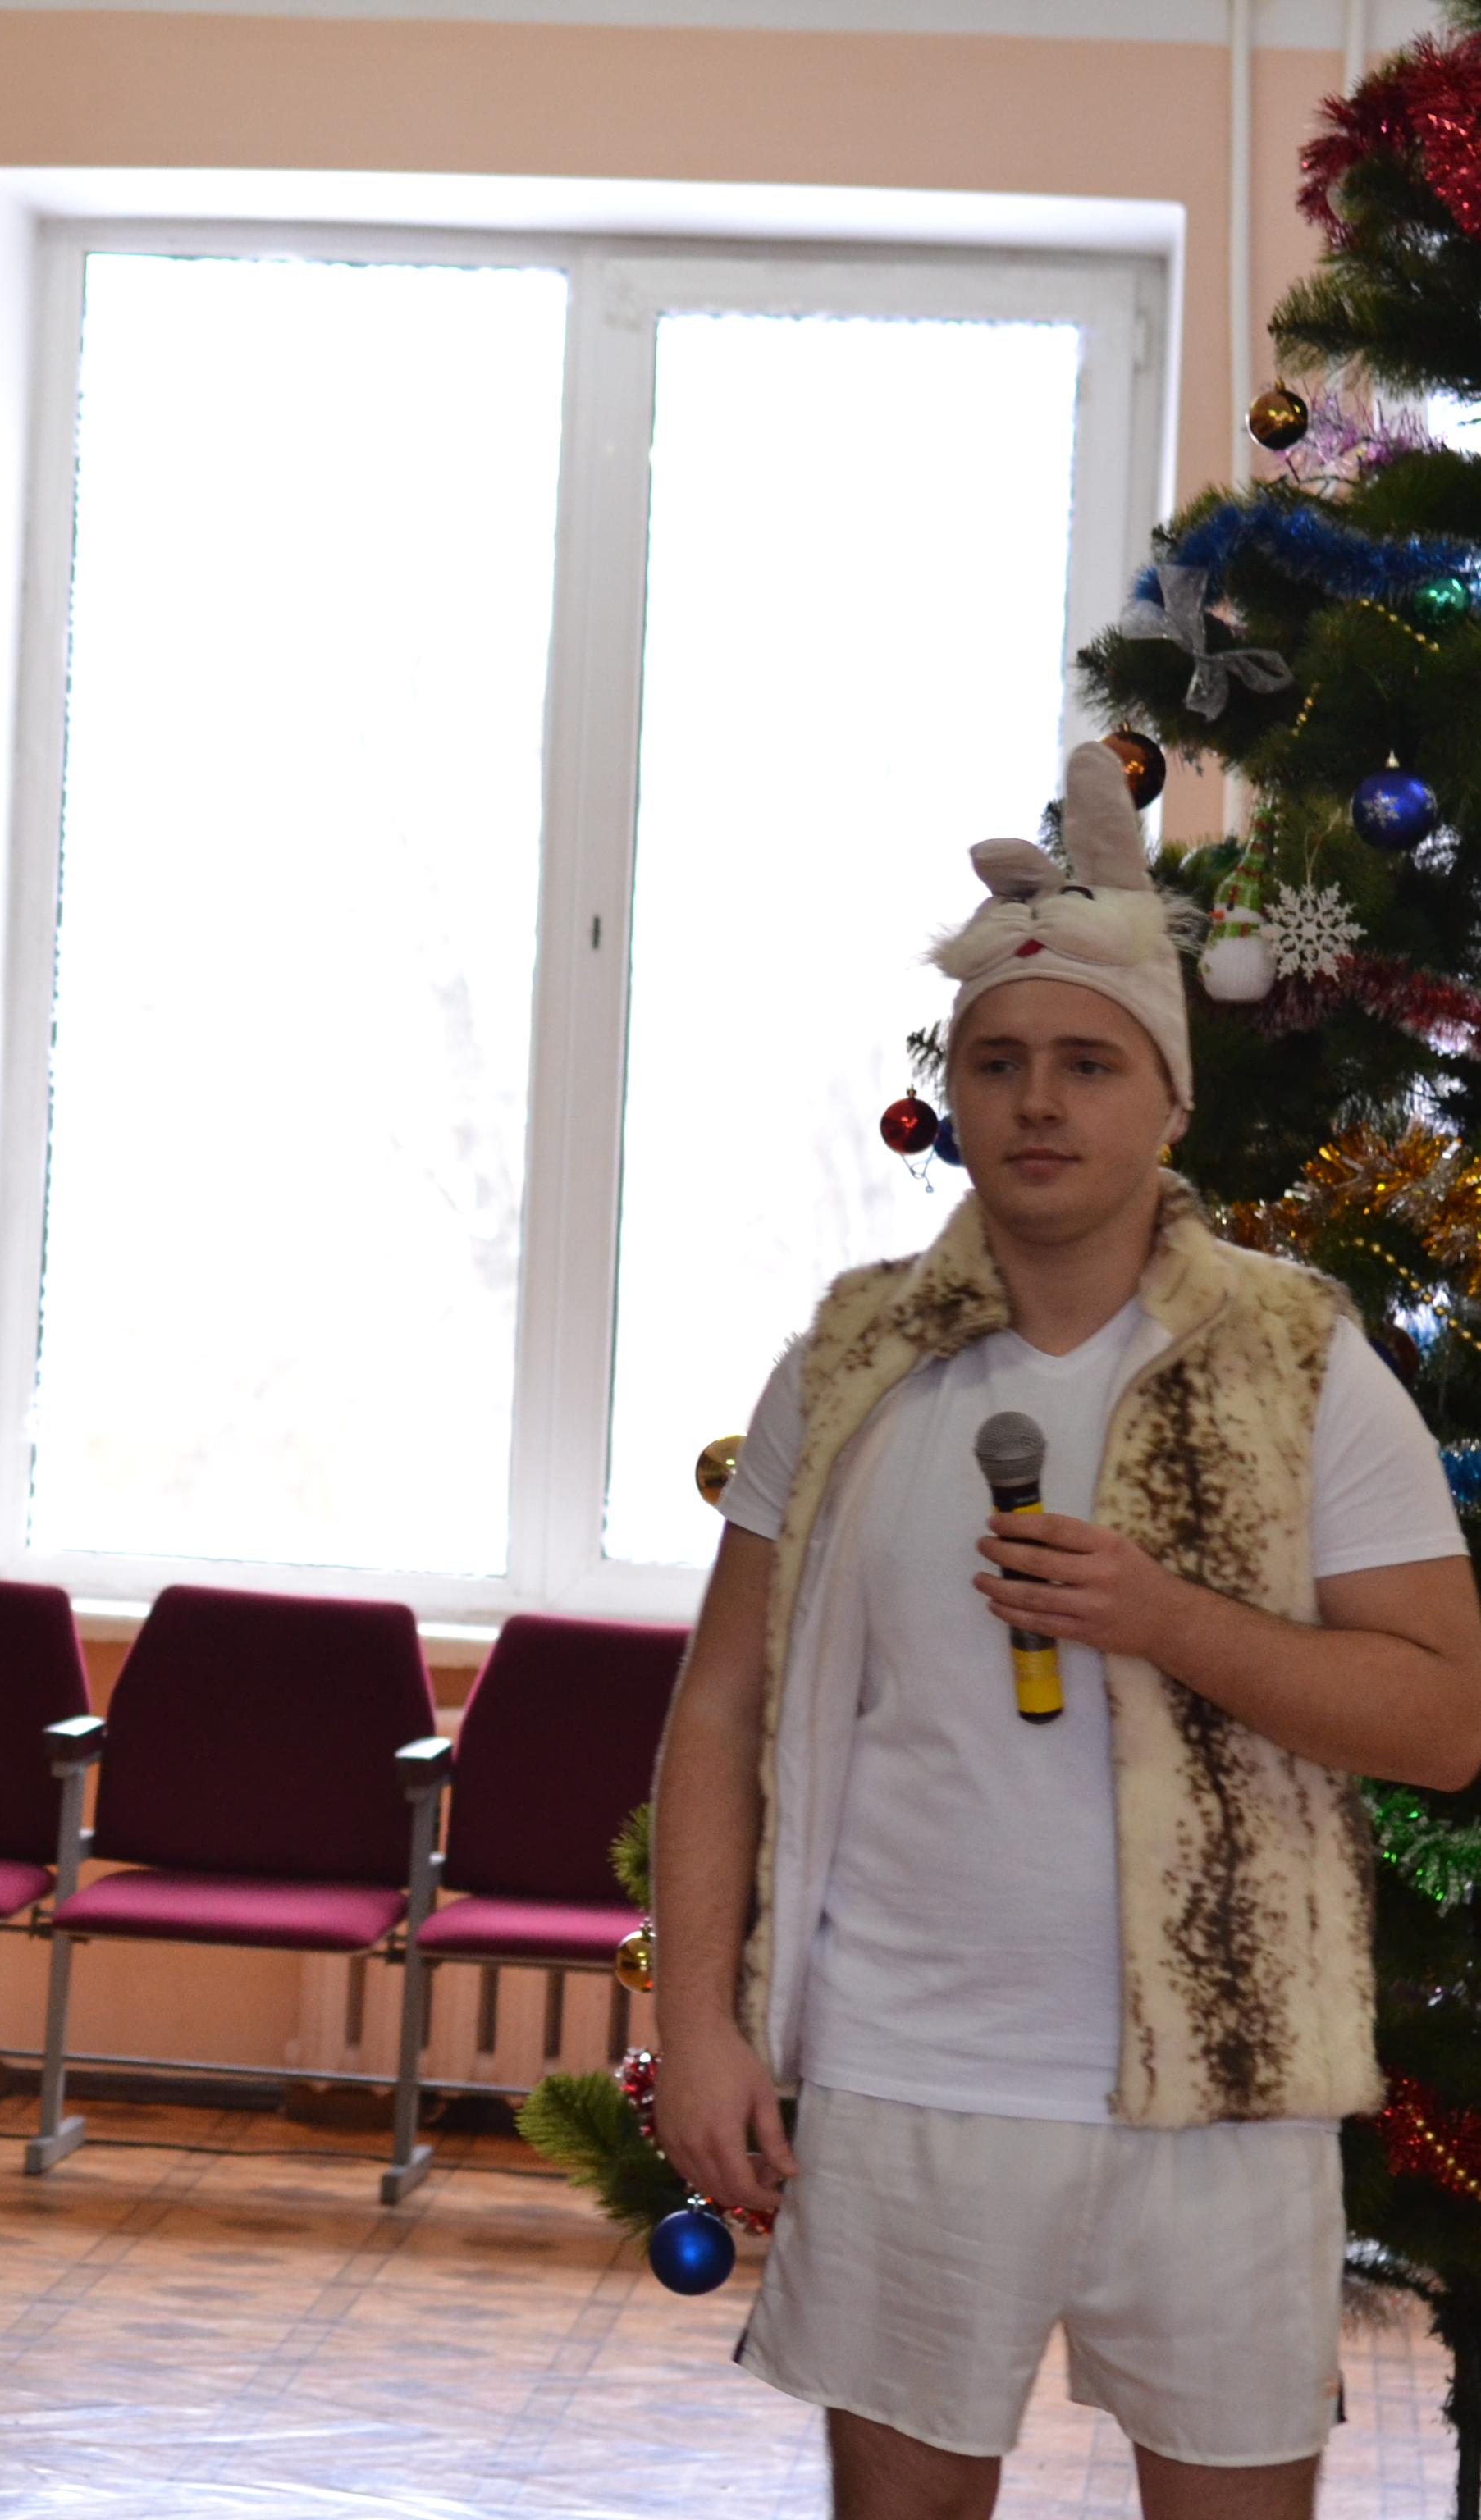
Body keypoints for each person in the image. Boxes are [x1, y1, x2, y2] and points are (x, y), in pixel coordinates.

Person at [654, 740, 1481, 2519]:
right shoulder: (848, 1365)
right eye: (997, 1061)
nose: (1037, 1102)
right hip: (902, 2074)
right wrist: (698, 2022)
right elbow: (716, 1711)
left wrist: (1165, 1616)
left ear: (1167, 1101)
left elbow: (1441, 1720)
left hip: (1225, 2092)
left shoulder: (1300, 1363)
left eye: (1088, 1063)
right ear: (954, 1093)